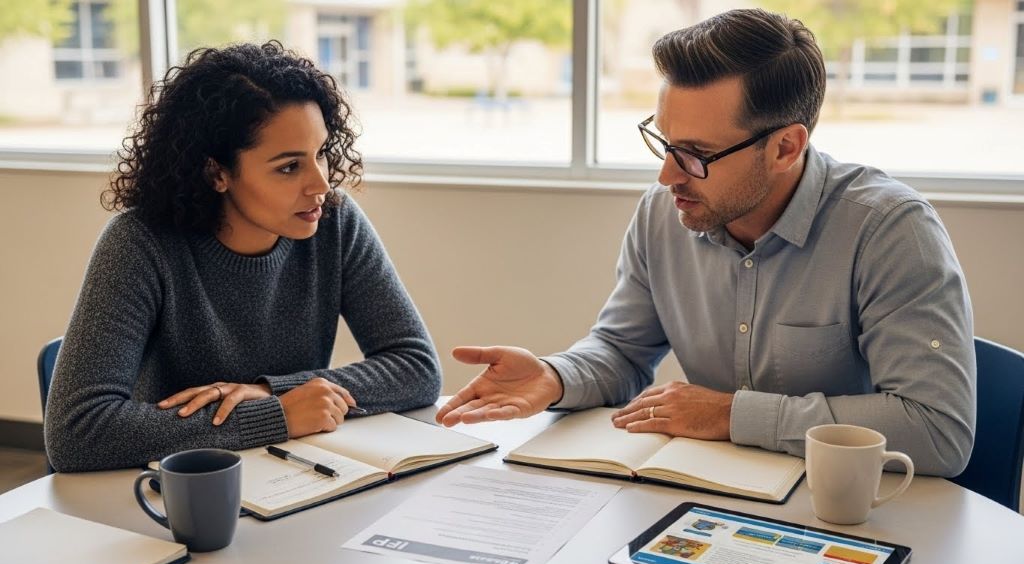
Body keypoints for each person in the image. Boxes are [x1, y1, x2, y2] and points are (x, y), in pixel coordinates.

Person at [436, 9, 975, 477]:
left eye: (694, 153)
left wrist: (731, 414)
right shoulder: (665, 213)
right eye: (663, 142)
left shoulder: (889, 230)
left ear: (786, 147)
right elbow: (623, 351)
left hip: (852, 508)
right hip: (716, 495)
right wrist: (554, 377)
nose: (667, 176)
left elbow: (937, 428)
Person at [45, 41, 441, 472]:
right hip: (170, 492)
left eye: (321, 154)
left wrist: (275, 393)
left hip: (290, 475)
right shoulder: (139, 243)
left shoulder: (335, 222)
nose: (320, 184)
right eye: (289, 167)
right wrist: (278, 416)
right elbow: (76, 432)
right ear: (217, 173)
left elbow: (416, 367)